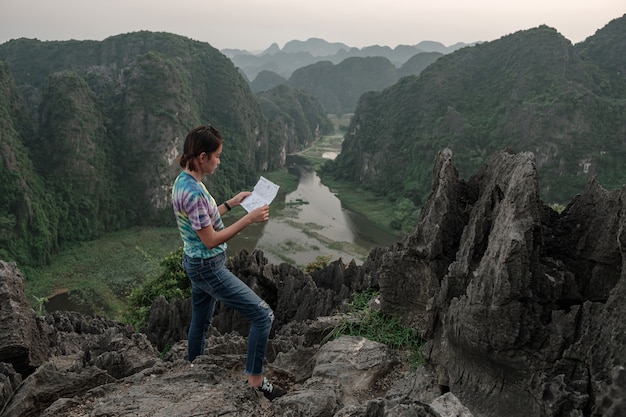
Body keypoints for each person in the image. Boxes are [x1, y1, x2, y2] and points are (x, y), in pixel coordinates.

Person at [171, 124, 286, 401]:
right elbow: (210, 239)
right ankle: (256, 380)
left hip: (196, 262)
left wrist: (232, 203)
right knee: (263, 315)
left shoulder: (185, 181)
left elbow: (204, 221)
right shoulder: (194, 192)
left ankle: (193, 368)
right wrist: (249, 219)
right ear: (202, 156)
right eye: (217, 156)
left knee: (199, 321)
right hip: (208, 267)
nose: (219, 161)